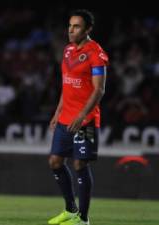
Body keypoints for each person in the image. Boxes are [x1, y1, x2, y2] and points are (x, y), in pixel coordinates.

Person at [48, 9, 108, 225]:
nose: (71, 30)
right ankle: (70, 209)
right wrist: (57, 112)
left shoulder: (96, 53)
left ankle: (83, 218)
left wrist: (82, 115)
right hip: (66, 117)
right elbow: (67, 84)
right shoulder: (67, 50)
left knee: (80, 165)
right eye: (70, 25)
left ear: (88, 29)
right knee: (55, 162)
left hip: (86, 119)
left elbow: (99, 90)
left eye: (77, 26)